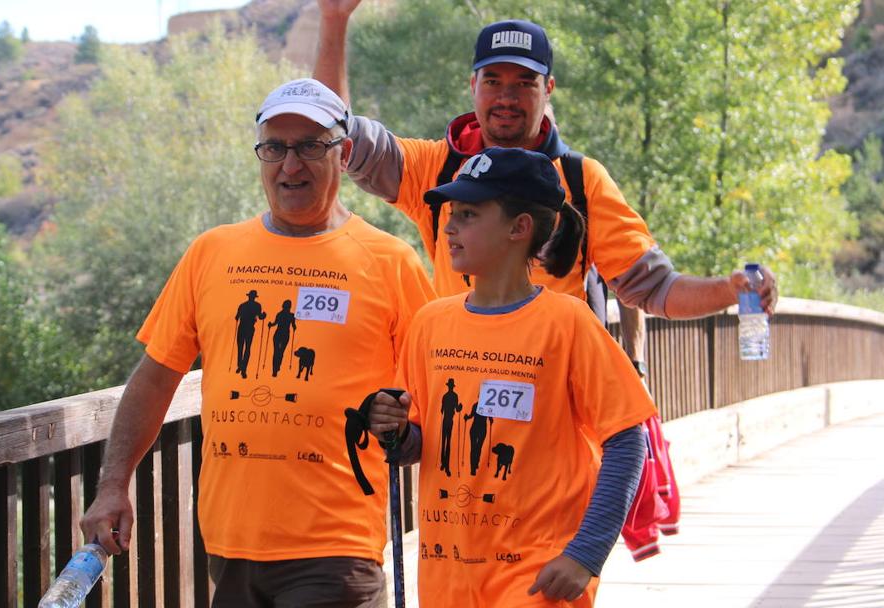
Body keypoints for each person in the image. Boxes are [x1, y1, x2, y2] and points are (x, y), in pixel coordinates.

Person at [80, 77, 435, 607]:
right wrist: (113, 484)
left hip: (336, 549)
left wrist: (405, 433)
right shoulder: (212, 253)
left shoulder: (390, 262)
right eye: (275, 147)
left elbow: (436, 391)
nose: (290, 165)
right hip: (229, 546)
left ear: (345, 154)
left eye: (311, 146)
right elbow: (156, 375)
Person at [313, 1, 778, 319]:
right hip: (455, 400)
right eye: (493, 81)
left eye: (524, 83)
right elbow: (334, 133)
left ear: (548, 89)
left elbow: (654, 289)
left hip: (552, 412)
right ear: (471, 85)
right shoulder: (435, 169)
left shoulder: (580, 181)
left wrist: (729, 290)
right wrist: (334, 20)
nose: (507, 97)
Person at [368, 146, 656, 606]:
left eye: (468, 214)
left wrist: (586, 554)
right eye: (450, 213)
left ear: (519, 229)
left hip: (536, 576)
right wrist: (395, 431)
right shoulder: (430, 323)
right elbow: (421, 443)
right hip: (448, 577)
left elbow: (627, 439)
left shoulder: (569, 323)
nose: (449, 226)